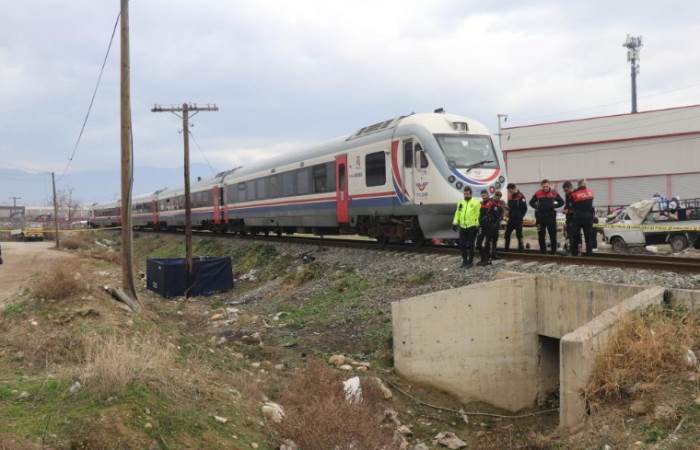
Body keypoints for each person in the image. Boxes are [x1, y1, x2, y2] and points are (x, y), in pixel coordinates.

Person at [529, 179, 564, 254]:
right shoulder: (538, 193)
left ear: (549, 185)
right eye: (544, 186)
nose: (545, 188)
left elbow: (562, 202)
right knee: (540, 235)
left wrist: (554, 205)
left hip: (551, 217)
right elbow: (531, 202)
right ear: (541, 186)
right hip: (540, 218)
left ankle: (553, 251)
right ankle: (543, 251)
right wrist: (537, 207)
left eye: (547, 186)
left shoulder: (554, 193)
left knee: (553, 235)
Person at [452, 186, 481, 267]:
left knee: (471, 245)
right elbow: (457, 213)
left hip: (471, 226)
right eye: (464, 194)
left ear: (471, 193)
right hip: (462, 227)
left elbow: (477, 214)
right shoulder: (460, 202)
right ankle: (464, 261)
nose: (466, 195)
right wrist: (454, 223)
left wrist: (477, 225)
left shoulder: (476, 202)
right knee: (462, 245)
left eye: (467, 194)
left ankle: (470, 262)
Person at [570, 179, 595, 256]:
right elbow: (591, 203)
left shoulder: (574, 194)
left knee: (576, 236)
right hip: (588, 217)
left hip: (578, 217)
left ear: (578, 185)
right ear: (585, 184)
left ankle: (576, 253)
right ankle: (589, 254)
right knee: (588, 237)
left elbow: (572, 205)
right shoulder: (590, 192)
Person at [479, 191, 505, 265]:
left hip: (496, 224)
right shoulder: (490, 202)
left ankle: (493, 254)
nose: (498, 197)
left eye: (499, 196)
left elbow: (501, 212)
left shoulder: (500, 203)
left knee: (494, 240)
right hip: (489, 225)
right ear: (494, 196)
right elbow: (487, 213)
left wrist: (501, 217)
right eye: (497, 196)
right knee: (488, 241)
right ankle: (487, 256)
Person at [504, 183, 527, 251]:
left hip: (518, 219)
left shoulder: (521, 197)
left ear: (514, 188)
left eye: (510, 191)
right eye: (509, 191)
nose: (509, 192)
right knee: (507, 233)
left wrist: (520, 216)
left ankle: (521, 248)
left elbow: (524, 208)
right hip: (511, 219)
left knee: (519, 234)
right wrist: (507, 211)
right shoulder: (510, 196)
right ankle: (506, 249)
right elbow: (510, 207)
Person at [562, 181, 577, 254]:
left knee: (572, 235)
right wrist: (565, 209)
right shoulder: (567, 196)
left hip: (574, 218)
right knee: (568, 234)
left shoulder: (575, 195)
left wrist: (568, 211)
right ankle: (569, 248)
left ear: (570, 188)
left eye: (566, 190)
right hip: (568, 218)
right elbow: (567, 205)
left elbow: (577, 208)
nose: (565, 192)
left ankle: (572, 250)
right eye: (564, 191)